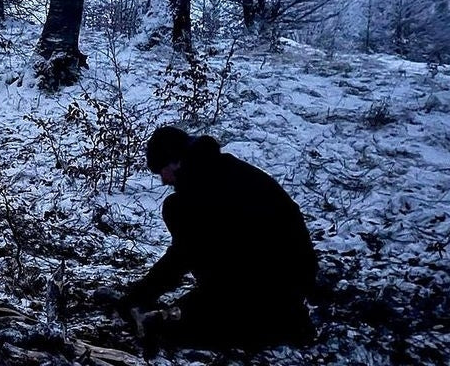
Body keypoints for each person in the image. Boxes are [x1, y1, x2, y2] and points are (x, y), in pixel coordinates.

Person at [119, 126, 318, 350]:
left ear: (176, 161)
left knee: (182, 327)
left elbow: (183, 254)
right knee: (176, 208)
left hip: (273, 279)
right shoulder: (216, 170)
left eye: (162, 169)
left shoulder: (206, 190)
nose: (163, 180)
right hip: (283, 271)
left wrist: (142, 293)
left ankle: (269, 318)